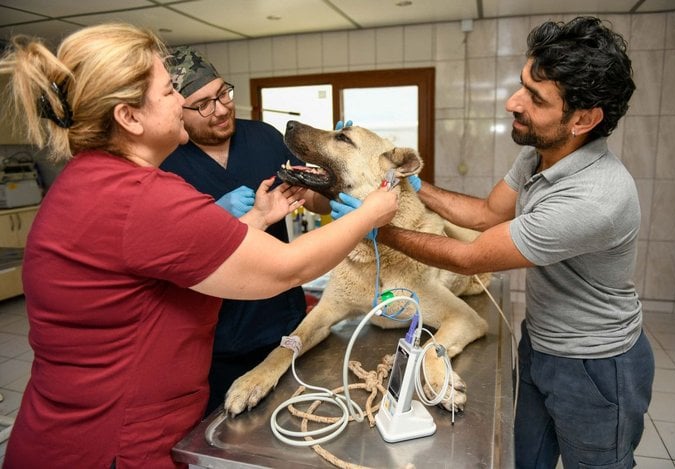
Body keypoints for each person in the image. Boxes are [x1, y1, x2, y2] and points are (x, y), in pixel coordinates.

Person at [0, 23, 397, 469]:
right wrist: (372, 211)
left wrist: (256, 219)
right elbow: (284, 269)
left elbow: (170, 259)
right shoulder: (141, 197)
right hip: (113, 444)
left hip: (76, 427)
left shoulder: (92, 179)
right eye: (171, 92)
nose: (184, 101)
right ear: (129, 117)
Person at [334, 16, 654, 469]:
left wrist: (376, 228)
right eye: (522, 84)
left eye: (535, 98)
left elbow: (468, 257)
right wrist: (407, 181)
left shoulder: (594, 196)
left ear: (583, 119)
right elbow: (485, 214)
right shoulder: (541, 152)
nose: (512, 102)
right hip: (541, 342)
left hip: (595, 366)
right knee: (526, 461)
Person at [160, 46, 330, 416]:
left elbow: (313, 200)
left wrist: (331, 195)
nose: (221, 109)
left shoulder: (264, 138)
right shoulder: (164, 165)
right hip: (215, 339)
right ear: (177, 109)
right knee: (227, 428)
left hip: (284, 322)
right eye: (203, 104)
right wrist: (216, 218)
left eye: (223, 93)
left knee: (294, 419)